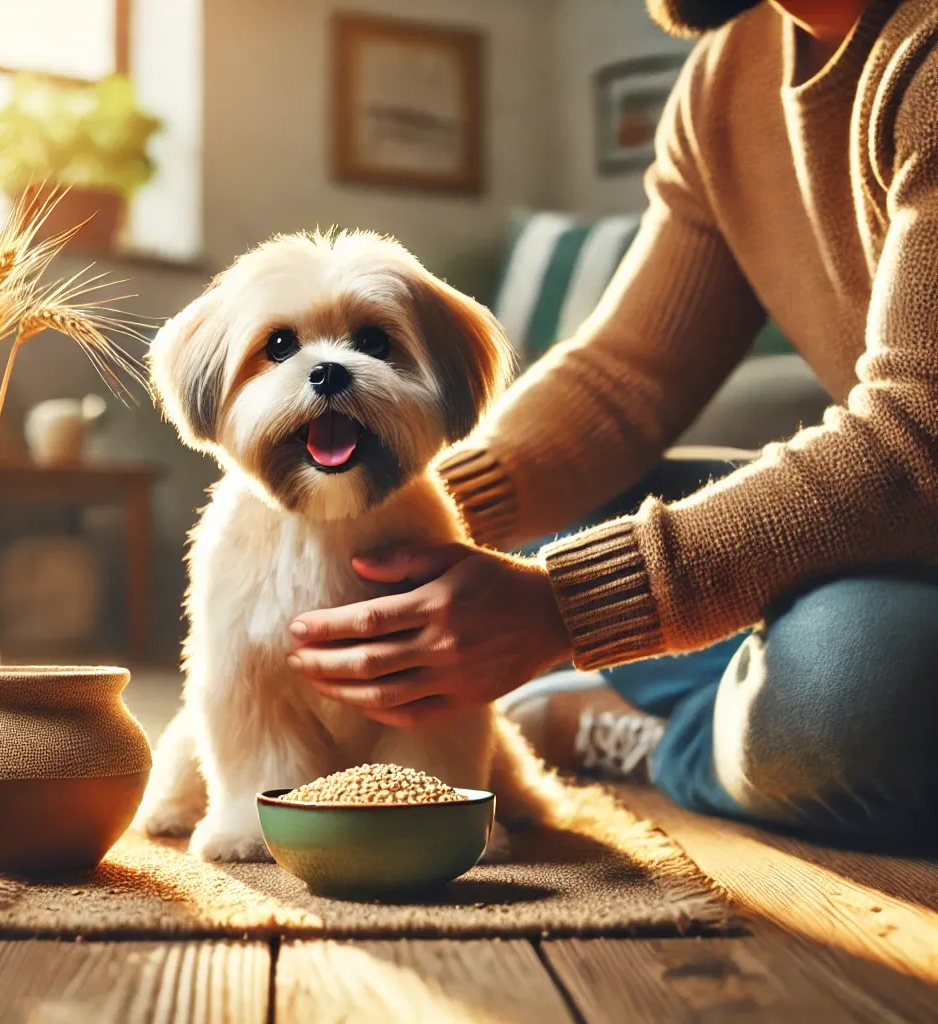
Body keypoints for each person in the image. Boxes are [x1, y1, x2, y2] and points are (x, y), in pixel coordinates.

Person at [286, 0, 938, 845]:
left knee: (856, 692)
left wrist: (565, 607)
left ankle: (650, 729)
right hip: (900, 543)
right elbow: (624, 377)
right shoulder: (728, 73)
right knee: (526, 537)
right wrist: (406, 511)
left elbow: (918, 441)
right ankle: (725, 689)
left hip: (910, 525)